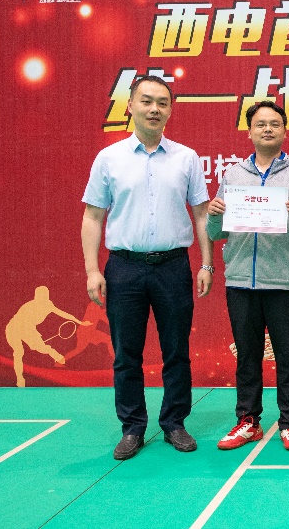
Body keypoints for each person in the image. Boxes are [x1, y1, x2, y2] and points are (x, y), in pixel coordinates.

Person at [81, 75, 212, 460]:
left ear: (170, 110)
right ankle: (132, 427)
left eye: (162, 103)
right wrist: (92, 270)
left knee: (177, 351)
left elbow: (202, 214)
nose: (154, 109)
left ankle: (174, 423)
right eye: (146, 101)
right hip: (124, 268)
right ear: (130, 106)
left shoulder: (186, 158)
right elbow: (92, 216)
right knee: (126, 353)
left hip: (173, 266)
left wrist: (207, 263)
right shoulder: (109, 158)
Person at [206, 100, 289, 452]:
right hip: (240, 280)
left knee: (288, 357)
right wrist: (214, 215)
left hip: (284, 282)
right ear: (249, 132)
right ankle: (248, 421)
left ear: (285, 131)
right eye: (260, 124)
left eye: (274, 123)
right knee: (247, 356)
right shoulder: (233, 175)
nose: (267, 129)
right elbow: (216, 233)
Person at [5, 286, 93, 387]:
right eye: (39, 296)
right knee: (19, 352)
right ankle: (20, 379)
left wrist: (80, 322)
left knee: (41, 348)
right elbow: (23, 325)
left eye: (43, 296)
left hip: (29, 328)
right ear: (35, 297)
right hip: (14, 328)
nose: (41, 299)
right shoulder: (29, 307)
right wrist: (35, 340)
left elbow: (63, 313)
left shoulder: (48, 305)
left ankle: (53, 353)